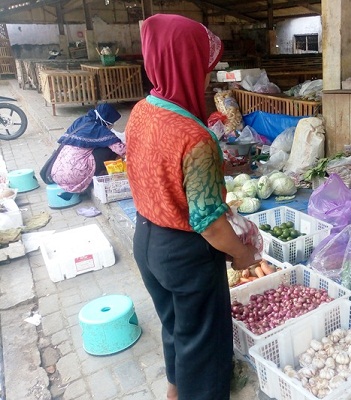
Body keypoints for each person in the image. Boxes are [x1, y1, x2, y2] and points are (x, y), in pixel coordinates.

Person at [124, 14, 258, 400]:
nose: (207, 75)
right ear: (187, 63)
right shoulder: (193, 136)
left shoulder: (142, 111)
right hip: (185, 255)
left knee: (175, 326)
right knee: (204, 344)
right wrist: (243, 254)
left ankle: (173, 390)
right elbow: (208, 223)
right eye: (204, 65)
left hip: (147, 241)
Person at [49, 103, 125, 196]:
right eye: (111, 123)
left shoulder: (81, 121)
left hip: (57, 172)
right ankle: (98, 175)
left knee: (102, 145)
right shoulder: (98, 129)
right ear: (105, 120)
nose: (112, 125)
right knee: (108, 150)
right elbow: (121, 150)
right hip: (74, 176)